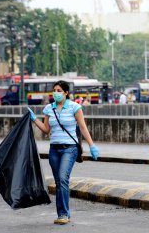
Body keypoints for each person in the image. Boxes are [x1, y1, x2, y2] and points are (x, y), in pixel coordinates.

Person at [27, 80, 100, 225]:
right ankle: (62, 213)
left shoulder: (75, 107)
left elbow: (83, 127)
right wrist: (34, 119)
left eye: (59, 90)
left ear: (66, 93)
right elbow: (47, 130)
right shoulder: (49, 108)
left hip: (70, 148)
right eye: (54, 90)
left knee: (63, 178)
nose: (56, 93)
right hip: (54, 149)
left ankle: (64, 214)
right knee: (59, 182)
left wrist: (92, 146)